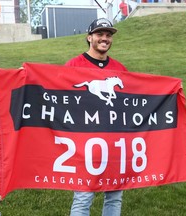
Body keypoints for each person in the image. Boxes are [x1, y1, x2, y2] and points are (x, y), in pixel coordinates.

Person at [65, 18, 128, 216]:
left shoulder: (120, 69)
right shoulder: (74, 65)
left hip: (114, 143)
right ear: (89, 37)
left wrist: (170, 91)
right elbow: (53, 87)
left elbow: (133, 97)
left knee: (114, 197)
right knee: (83, 198)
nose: (104, 39)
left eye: (108, 35)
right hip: (85, 144)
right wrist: (27, 76)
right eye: (100, 34)